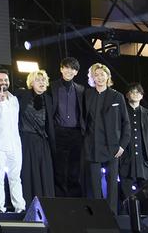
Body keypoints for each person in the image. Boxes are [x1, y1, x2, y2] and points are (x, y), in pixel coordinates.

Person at [83, 63, 129, 214]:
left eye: (103, 74)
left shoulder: (117, 96)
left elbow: (126, 123)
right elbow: (84, 119)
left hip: (113, 147)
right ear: (92, 78)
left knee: (112, 184)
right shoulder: (87, 94)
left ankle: (112, 214)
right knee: (94, 184)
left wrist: (122, 146)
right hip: (93, 145)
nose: (100, 77)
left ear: (108, 77)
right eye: (97, 75)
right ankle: (97, 214)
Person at [15, 70, 55, 210]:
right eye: (38, 80)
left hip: (43, 142)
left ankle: (47, 207)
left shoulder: (49, 100)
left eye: (43, 80)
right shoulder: (22, 95)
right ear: (31, 82)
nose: (42, 82)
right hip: (26, 141)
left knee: (44, 174)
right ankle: (29, 207)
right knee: (29, 173)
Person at [0, 69, 24, 213]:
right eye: (0, 80)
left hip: (14, 143)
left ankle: (20, 207)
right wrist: (0, 102)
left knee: (15, 177)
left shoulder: (14, 99)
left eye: (5, 80)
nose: (3, 82)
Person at [50, 57, 86, 197]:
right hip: (58, 132)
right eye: (66, 67)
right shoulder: (52, 86)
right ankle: (60, 198)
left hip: (76, 133)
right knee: (59, 168)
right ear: (61, 69)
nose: (69, 71)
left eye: (73, 68)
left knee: (75, 168)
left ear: (76, 72)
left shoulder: (81, 90)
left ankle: (74, 198)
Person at [119, 83, 148, 209]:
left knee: (146, 189)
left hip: (143, 156)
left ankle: (145, 215)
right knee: (125, 188)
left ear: (142, 95)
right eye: (132, 92)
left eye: (138, 92)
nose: (135, 94)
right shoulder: (122, 111)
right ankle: (127, 214)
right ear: (127, 95)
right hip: (127, 155)